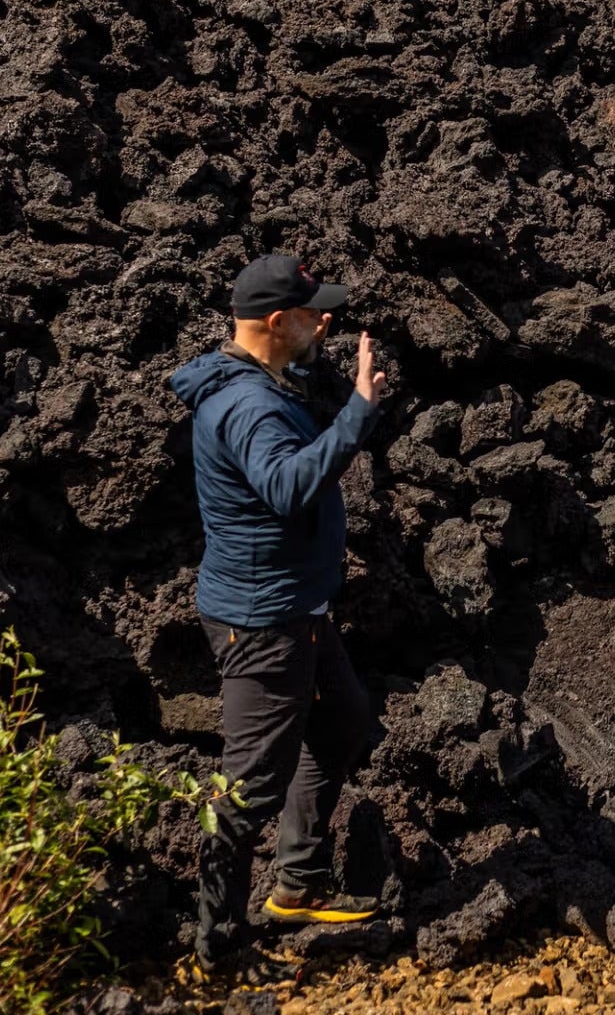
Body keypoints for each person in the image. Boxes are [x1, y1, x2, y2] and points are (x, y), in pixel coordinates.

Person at [167, 255, 391, 983]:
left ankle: (297, 884)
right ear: (274, 321)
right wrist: (359, 409)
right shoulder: (250, 405)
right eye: (310, 313)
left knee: (342, 723)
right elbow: (288, 487)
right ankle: (219, 948)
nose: (323, 322)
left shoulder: (260, 381)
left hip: (296, 608)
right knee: (247, 791)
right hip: (263, 623)